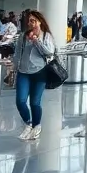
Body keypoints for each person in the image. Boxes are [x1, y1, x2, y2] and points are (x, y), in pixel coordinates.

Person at [12, 10, 57, 141]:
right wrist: (13, 67)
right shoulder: (23, 36)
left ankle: (37, 126)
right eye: (29, 21)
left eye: (33, 21)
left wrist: (37, 41)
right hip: (23, 71)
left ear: (39, 22)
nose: (30, 23)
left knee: (34, 102)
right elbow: (17, 53)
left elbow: (49, 52)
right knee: (20, 101)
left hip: (40, 72)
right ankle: (28, 123)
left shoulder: (46, 35)